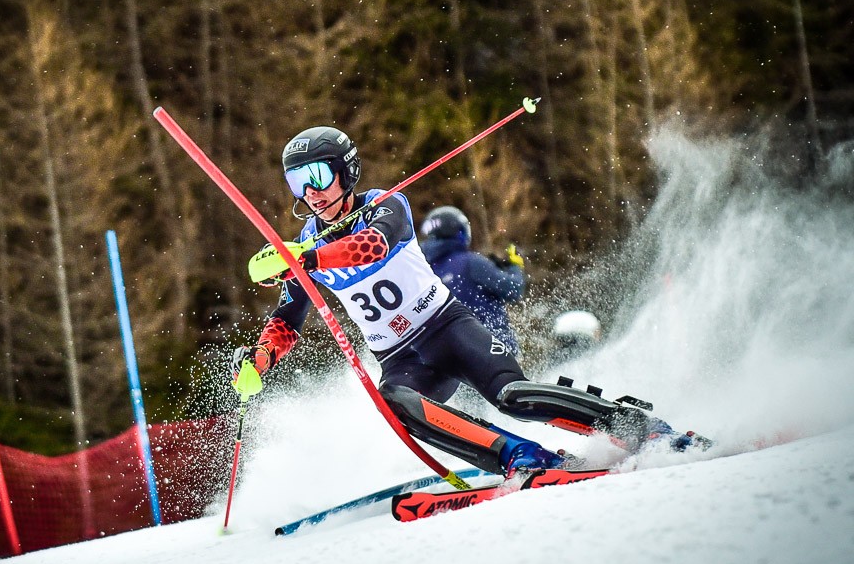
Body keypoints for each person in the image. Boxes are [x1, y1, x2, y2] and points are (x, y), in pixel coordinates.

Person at [230, 126, 696, 477]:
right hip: (401, 359)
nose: (309, 193)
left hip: (448, 328)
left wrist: (307, 258)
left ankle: (641, 427)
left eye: (317, 176)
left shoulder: (386, 206)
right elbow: (287, 318)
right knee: (394, 402)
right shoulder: (303, 246)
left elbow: (371, 247)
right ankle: (521, 457)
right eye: (296, 182)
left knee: (513, 396)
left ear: (346, 172)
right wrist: (260, 359)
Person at [419, 206, 526, 355]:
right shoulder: (471, 262)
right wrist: (515, 266)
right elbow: (513, 289)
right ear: (460, 232)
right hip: (493, 352)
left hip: (449, 358)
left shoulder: (423, 272)